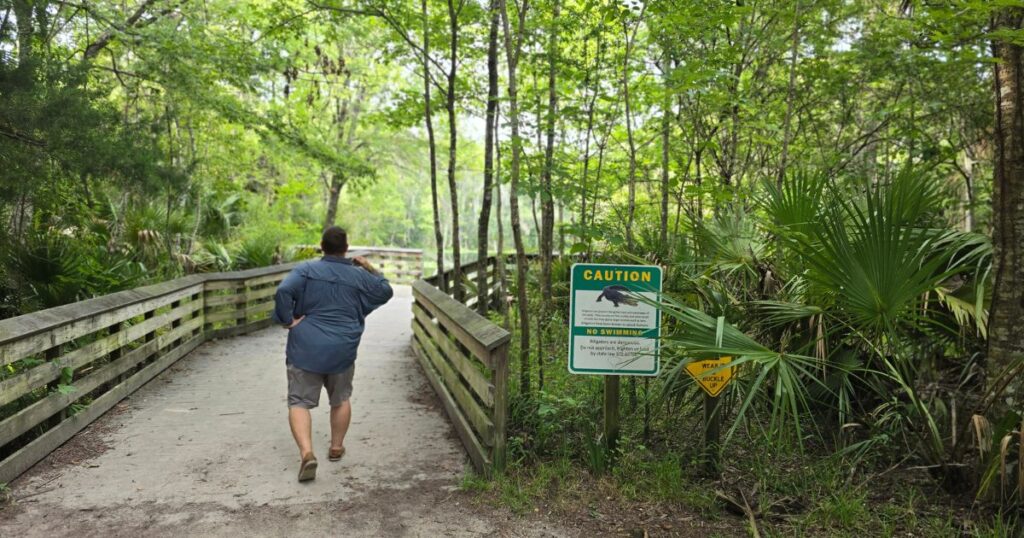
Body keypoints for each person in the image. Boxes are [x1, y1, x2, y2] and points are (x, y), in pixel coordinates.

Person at [271, 226, 393, 482]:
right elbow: (385, 291)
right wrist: (369, 267)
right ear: (346, 248)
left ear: (321, 246)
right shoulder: (358, 276)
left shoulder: (305, 270)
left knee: (299, 402)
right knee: (340, 398)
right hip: (342, 348)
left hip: (306, 346)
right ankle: (336, 447)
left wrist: (288, 320)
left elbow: (283, 291)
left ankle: (307, 453)